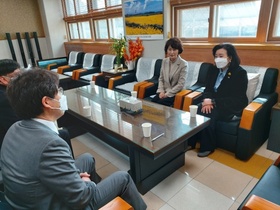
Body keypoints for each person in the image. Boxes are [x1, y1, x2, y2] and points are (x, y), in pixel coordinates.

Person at [1, 69, 147, 210]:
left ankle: (102, 200)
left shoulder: (16, 127)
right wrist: (86, 184)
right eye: (58, 91)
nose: (61, 95)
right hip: (52, 205)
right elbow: (80, 198)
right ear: (47, 102)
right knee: (123, 178)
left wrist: (77, 179)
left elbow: (46, 170)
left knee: (87, 158)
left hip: (32, 198)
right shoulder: (50, 145)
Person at [0, 59, 75, 157]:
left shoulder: (9, 91)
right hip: (16, 143)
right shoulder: (5, 99)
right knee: (64, 135)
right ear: (3, 79)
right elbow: (21, 125)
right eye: (16, 76)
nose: (20, 78)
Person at [188, 43, 248, 157]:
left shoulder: (239, 73)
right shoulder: (213, 70)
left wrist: (213, 102)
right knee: (195, 108)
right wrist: (206, 100)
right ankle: (191, 142)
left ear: (229, 58)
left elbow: (237, 98)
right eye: (216, 56)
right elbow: (207, 89)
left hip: (230, 107)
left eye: (221, 56)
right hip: (212, 102)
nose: (218, 59)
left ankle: (207, 146)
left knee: (207, 112)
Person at [152, 37, 188, 106]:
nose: (172, 52)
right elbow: (161, 79)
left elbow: (181, 84)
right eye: (169, 49)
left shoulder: (183, 64)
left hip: (176, 93)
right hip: (164, 92)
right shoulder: (164, 61)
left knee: (160, 105)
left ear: (178, 50)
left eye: (174, 49)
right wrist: (161, 91)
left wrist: (167, 94)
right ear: (167, 50)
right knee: (152, 104)